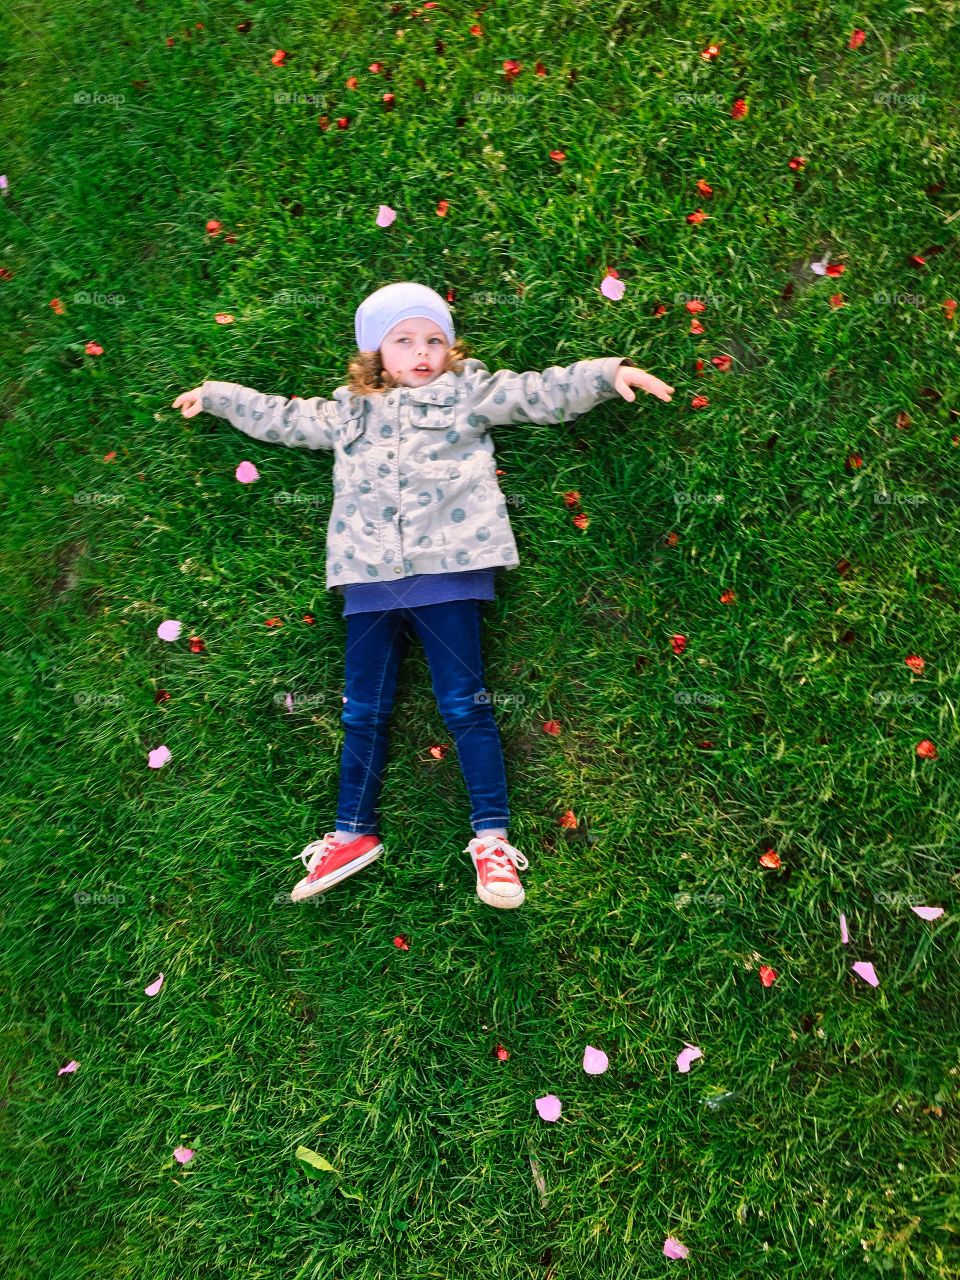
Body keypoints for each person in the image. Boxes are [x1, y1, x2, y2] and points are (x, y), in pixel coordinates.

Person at [172, 281, 674, 910]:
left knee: (463, 705)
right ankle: (352, 833)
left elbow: (537, 392)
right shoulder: (347, 410)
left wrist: (608, 374)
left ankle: (492, 838)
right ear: (374, 353)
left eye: (434, 339)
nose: (422, 352)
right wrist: (219, 397)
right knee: (363, 710)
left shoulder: (468, 394)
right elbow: (281, 416)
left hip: (448, 573)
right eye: (404, 340)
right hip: (368, 580)